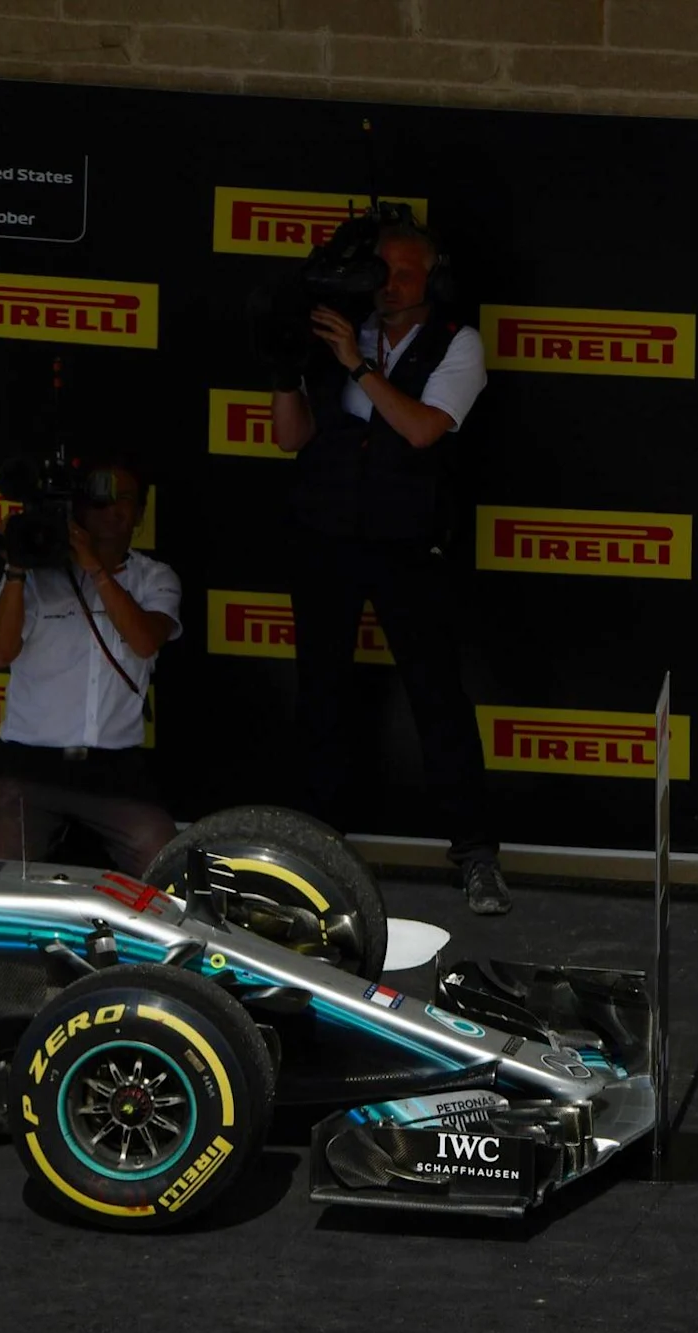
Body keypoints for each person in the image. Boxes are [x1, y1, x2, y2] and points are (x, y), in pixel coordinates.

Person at [268, 212, 506, 915]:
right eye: (381, 270)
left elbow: (423, 428)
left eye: (405, 271)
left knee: (437, 697)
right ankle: (313, 855)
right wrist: (286, 366)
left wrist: (357, 365)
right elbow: (290, 437)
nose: (390, 284)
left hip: (409, 542)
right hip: (326, 535)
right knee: (321, 693)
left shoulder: (458, 343)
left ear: (433, 277)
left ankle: (475, 855)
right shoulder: (340, 328)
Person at [0, 454, 184, 872]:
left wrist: (95, 568)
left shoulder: (155, 578)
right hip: (30, 769)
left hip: (116, 772)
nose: (112, 508)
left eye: (125, 498)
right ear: (79, 508)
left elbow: (144, 640)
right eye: (101, 498)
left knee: (163, 858)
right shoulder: (35, 574)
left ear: (141, 513)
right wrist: (16, 566)